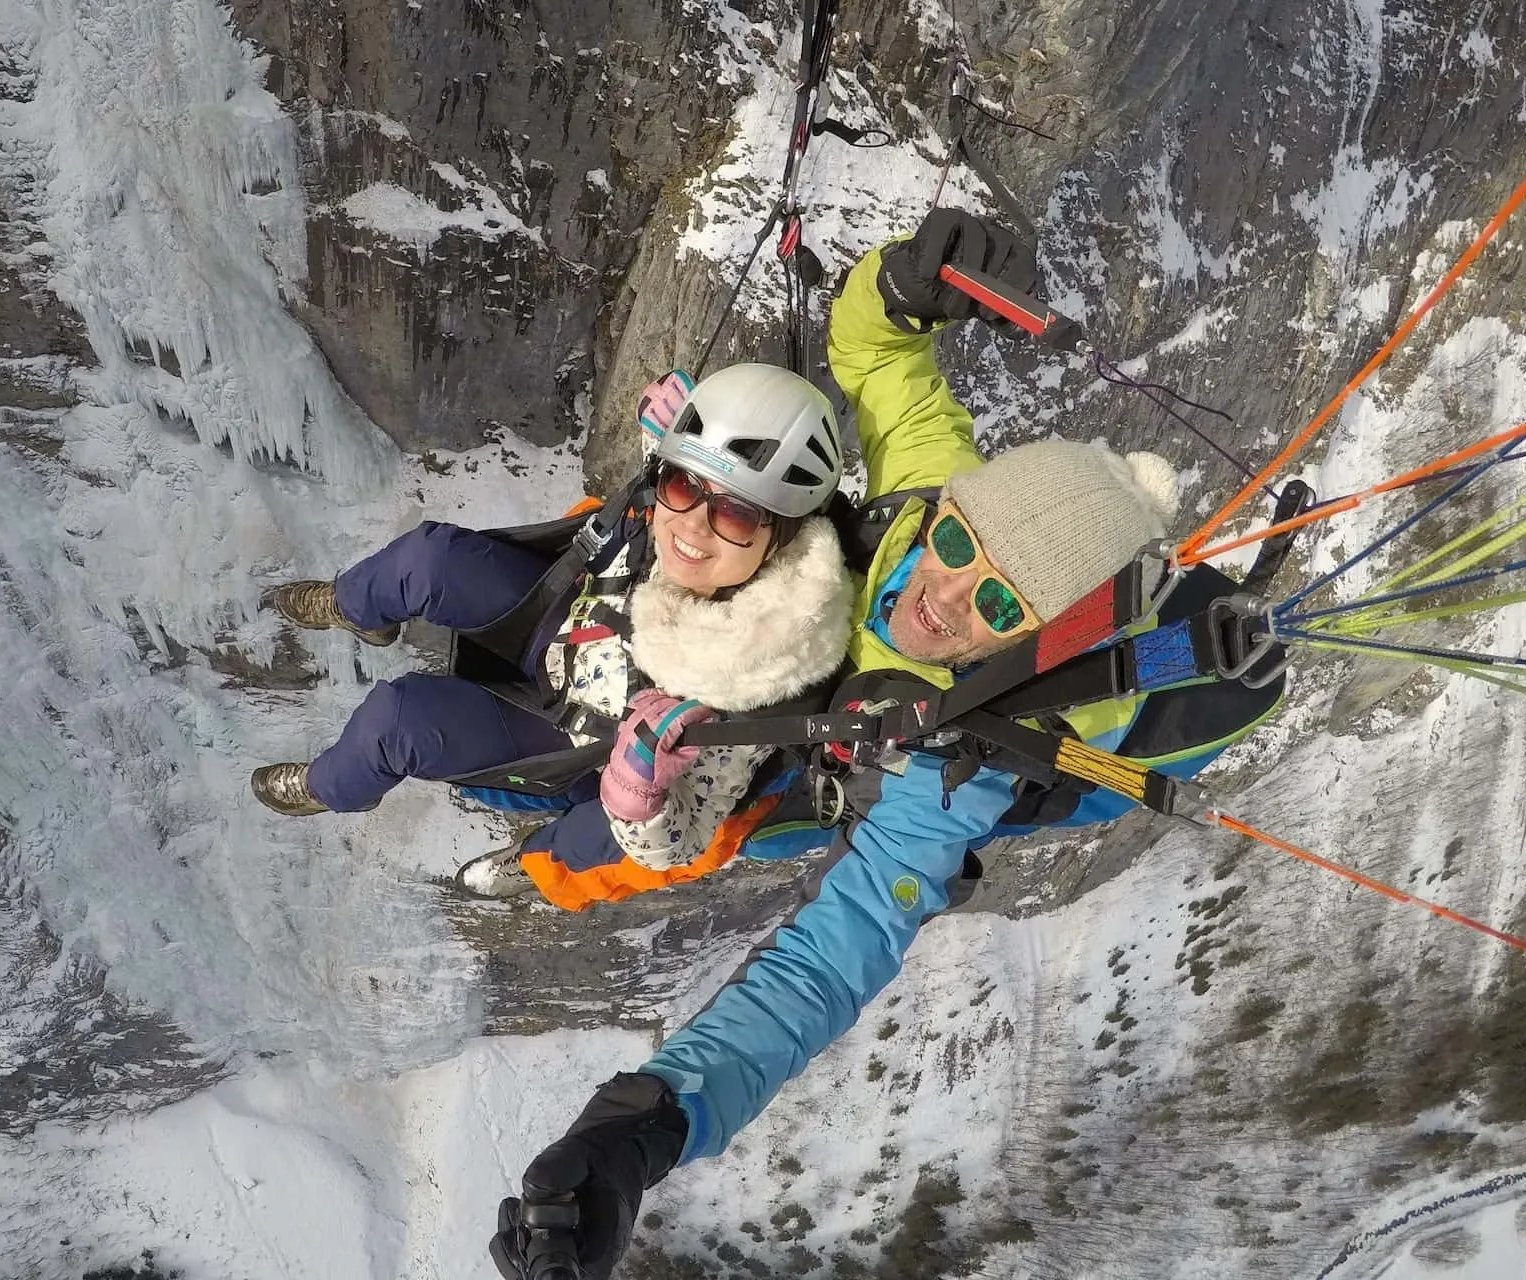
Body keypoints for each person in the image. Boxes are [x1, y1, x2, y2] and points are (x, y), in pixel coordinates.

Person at [490, 212, 1232, 1280]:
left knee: (590, 843)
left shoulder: (968, 760)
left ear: (1040, 646)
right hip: (746, 685)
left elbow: (828, 964)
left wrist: (636, 1130)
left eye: (997, 605)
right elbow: (879, 357)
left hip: (801, 776)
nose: (937, 594)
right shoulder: (928, 495)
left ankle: (529, 855)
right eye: (952, 545)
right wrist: (899, 281)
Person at [250, 362, 860, 907]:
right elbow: (666, 508)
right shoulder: (696, 527)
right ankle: (359, 608)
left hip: (575, 743)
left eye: (735, 512)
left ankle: (329, 787)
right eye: (683, 486)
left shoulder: (757, 672)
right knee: (427, 561)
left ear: (781, 537)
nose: (692, 527)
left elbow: (685, 840)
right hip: (565, 623)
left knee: (398, 722)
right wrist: (669, 442)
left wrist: (633, 794)